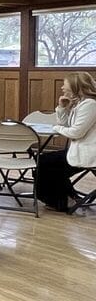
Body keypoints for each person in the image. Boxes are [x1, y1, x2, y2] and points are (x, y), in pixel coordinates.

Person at [37, 72, 96, 212]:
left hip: (89, 153)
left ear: (75, 85)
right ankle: (66, 197)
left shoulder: (90, 104)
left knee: (46, 163)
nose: (63, 88)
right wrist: (63, 108)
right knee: (44, 161)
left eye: (65, 84)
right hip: (79, 150)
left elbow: (76, 132)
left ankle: (62, 201)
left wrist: (56, 128)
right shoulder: (81, 104)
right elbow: (66, 126)